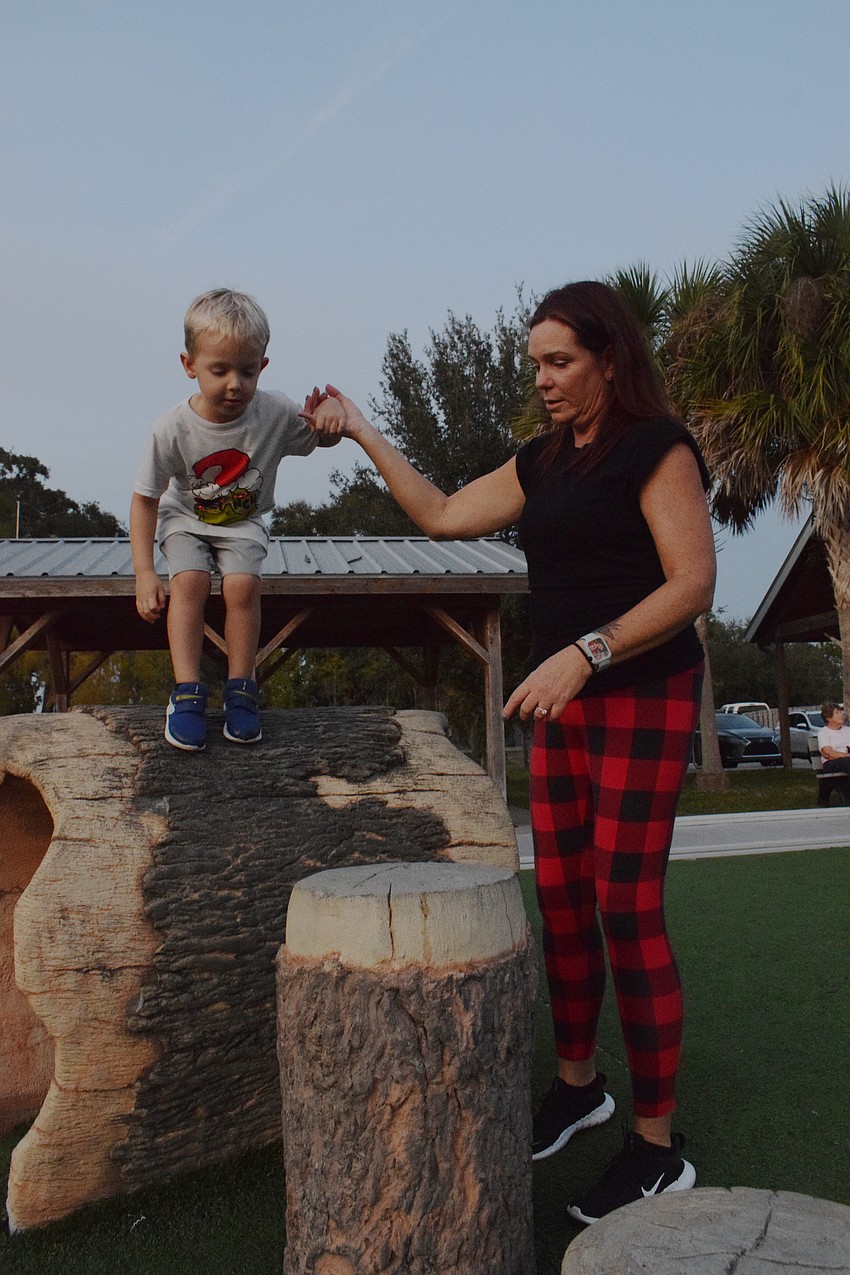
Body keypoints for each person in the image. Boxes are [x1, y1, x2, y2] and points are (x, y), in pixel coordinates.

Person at [304, 280, 716, 1224]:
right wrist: (365, 430)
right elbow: (444, 513)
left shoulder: (659, 449)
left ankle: (656, 1146)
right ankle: (580, 1086)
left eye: (561, 362)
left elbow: (693, 582)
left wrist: (587, 651)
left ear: (611, 359)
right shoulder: (542, 461)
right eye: (536, 362)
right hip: (563, 699)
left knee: (625, 905)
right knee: (563, 899)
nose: (543, 379)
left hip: (642, 693)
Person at [131, 288, 343, 751]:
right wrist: (145, 573)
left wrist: (330, 421)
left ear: (262, 367)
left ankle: (241, 690)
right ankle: (187, 693)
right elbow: (145, 499)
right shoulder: (171, 429)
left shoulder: (274, 411)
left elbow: (317, 438)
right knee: (188, 583)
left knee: (241, 587)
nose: (234, 384)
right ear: (190, 365)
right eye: (219, 370)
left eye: (247, 371)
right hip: (186, 517)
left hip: (242, 522)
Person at [817, 702, 850, 774]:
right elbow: (829, 754)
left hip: (846, 761)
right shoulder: (823, 733)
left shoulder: (848, 730)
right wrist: (847, 755)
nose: (841, 715)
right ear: (829, 718)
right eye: (837, 713)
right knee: (847, 761)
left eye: (841, 712)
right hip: (832, 764)